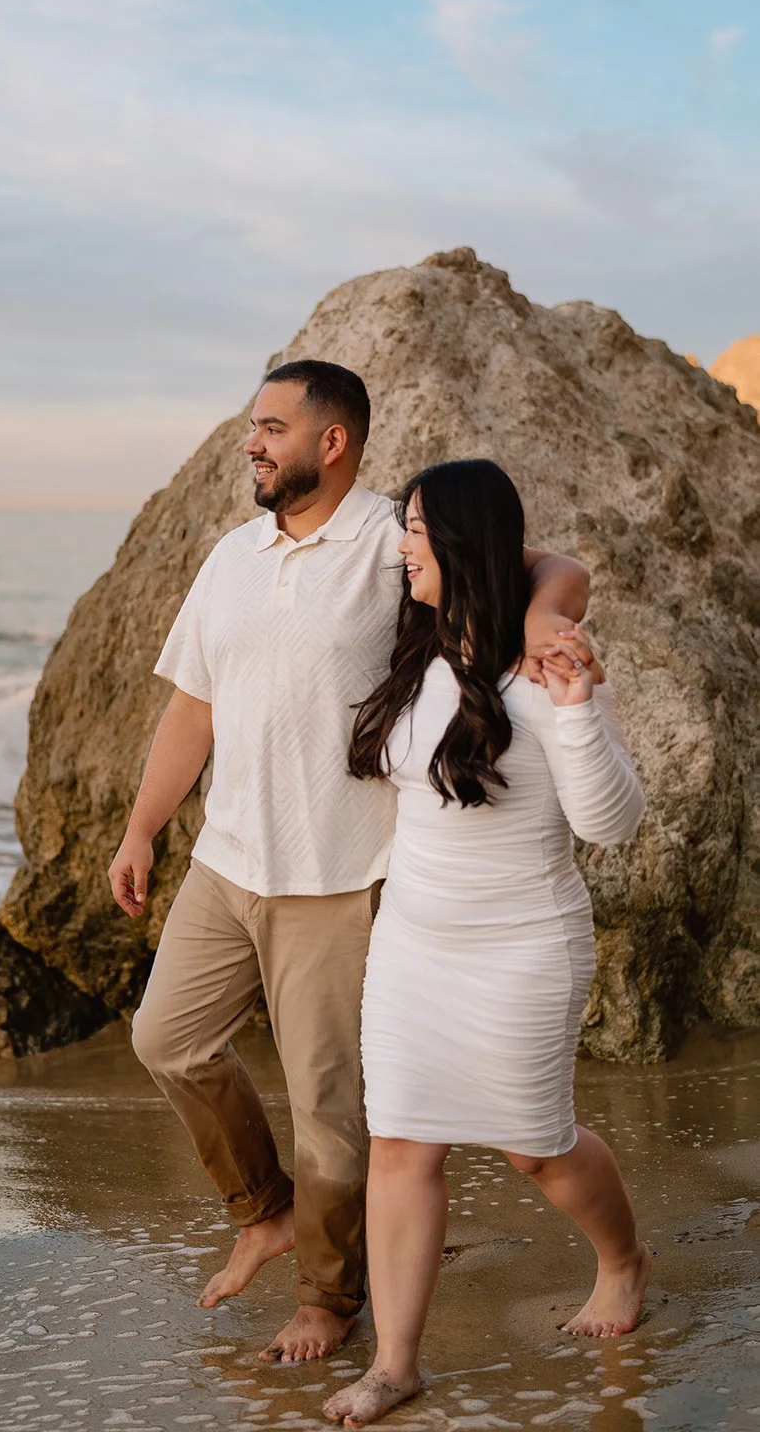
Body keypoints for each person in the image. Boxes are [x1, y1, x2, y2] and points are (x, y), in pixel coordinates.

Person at [109, 361, 597, 1365]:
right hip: (227, 858)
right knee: (166, 1039)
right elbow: (190, 708)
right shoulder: (231, 556)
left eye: (270, 427)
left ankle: (329, 1301)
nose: (252, 442)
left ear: (330, 443)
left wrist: (545, 615)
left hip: (340, 874)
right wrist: (142, 827)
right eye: (252, 424)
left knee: (331, 1111)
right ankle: (265, 1212)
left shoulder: (389, 539)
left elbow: (543, 563)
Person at [323, 458, 648, 1430]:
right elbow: (551, 561)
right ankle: (394, 1363)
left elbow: (612, 826)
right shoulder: (420, 649)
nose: (399, 543)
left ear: (461, 542)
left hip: (520, 949)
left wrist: (577, 706)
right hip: (411, 951)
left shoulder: (539, 669)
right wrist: (540, 590)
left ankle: (623, 1259)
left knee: (533, 1149)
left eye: (417, 526)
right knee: (398, 1147)